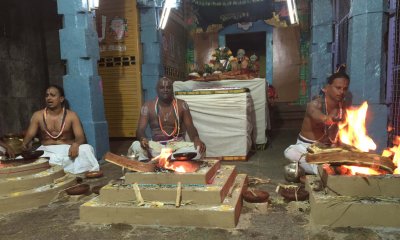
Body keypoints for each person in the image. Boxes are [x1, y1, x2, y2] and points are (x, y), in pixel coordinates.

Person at [284, 65, 350, 175]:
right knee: (289, 152)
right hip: (306, 148)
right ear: (327, 88)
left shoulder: (343, 107)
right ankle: (321, 169)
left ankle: (314, 168)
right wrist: (327, 118)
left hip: (328, 150)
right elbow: (317, 115)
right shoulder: (315, 105)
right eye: (338, 88)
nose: (342, 92)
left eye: (345, 89)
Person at [22, 85, 99, 174]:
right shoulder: (38, 115)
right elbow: (30, 134)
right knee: (21, 160)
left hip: (68, 151)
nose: (49, 98)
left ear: (61, 99)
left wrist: (76, 144)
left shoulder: (71, 115)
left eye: (52, 95)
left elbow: (80, 136)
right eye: (47, 95)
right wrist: (24, 143)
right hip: (47, 151)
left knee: (87, 148)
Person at [128, 77, 206, 161]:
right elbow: (140, 129)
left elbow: (190, 126)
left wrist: (196, 139)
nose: (165, 90)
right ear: (157, 90)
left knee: (199, 149)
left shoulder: (182, 105)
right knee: (136, 146)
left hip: (178, 146)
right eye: (162, 87)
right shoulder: (147, 106)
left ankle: (160, 160)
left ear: (172, 89)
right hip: (155, 147)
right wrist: (143, 139)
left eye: (168, 87)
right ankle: (171, 160)